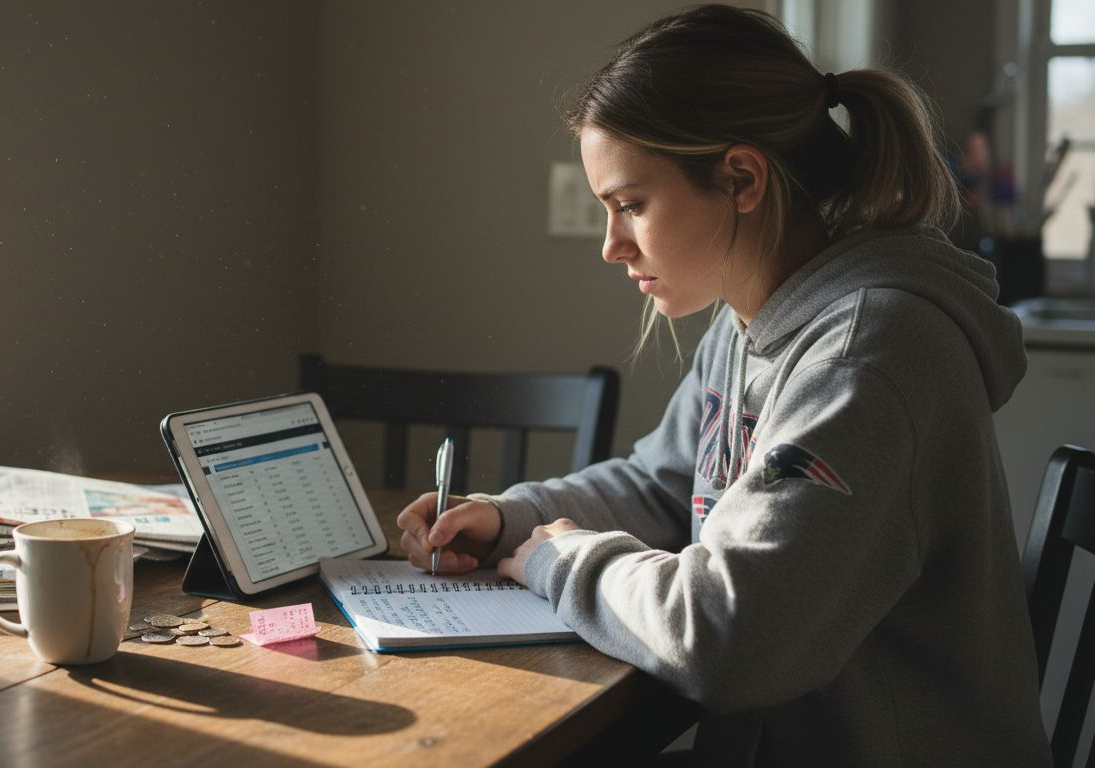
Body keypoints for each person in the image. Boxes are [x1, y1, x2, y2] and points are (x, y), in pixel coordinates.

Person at [396, 5, 1051, 766]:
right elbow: (667, 488)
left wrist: (558, 558)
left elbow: (729, 639)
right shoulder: (750, 320)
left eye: (631, 205)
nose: (611, 247)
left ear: (741, 178)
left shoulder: (865, 355)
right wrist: (512, 520)